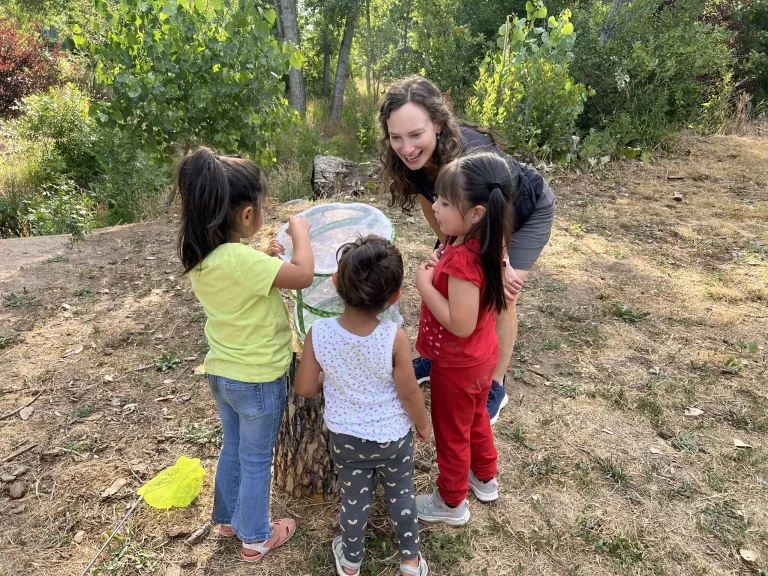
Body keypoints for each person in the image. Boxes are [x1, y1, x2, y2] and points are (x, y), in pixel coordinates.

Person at [378, 75, 556, 424]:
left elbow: (496, 216)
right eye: (396, 137)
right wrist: (447, 250)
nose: (407, 147)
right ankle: (437, 358)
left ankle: (495, 383)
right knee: (448, 273)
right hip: (466, 213)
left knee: (497, 296)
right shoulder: (408, 159)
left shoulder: (473, 156)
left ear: (439, 124)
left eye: (416, 135)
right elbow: (431, 202)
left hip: (519, 210)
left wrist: (500, 266)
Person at [177, 147, 315, 563]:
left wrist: (264, 257)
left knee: (233, 446)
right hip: (257, 379)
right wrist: (300, 234)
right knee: (257, 459)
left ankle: (226, 516)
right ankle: (255, 535)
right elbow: (303, 275)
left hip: (222, 374)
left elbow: (242, 275)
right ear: (246, 215)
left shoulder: (204, 256)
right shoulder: (239, 259)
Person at [295, 235, 431, 576]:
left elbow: (305, 387)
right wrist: (423, 424)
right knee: (401, 496)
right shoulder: (393, 338)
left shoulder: (318, 333)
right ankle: (411, 563)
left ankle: (352, 562)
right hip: (393, 439)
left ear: (337, 283)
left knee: (354, 501)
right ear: (395, 296)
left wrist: (334, 377)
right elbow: (410, 393)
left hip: (347, 440)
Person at [413, 151, 513, 525]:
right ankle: (485, 478)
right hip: (480, 356)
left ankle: (451, 502)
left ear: (476, 214)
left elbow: (460, 323)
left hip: (457, 364)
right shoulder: (482, 241)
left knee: (452, 432)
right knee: (474, 421)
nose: (434, 207)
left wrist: (426, 286)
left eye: (444, 202)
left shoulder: (464, 261)